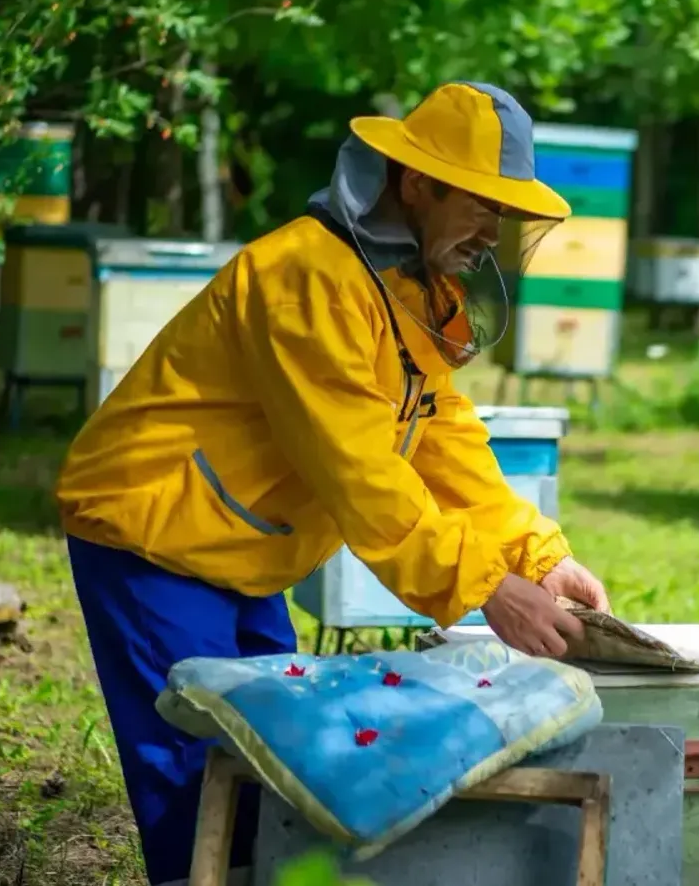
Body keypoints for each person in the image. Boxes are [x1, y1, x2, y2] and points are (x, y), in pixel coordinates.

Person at [54, 81, 612, 886]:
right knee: (191, 771)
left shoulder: (408, 288)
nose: (494, 230)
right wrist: (487, 584)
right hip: (152, 535)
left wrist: (535, 554)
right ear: (415, 183)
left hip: (244, 548)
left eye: (506, 211)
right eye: (483, 203)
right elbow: (359, 470)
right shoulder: (308, 278)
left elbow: (441, 436)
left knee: (278, 761)